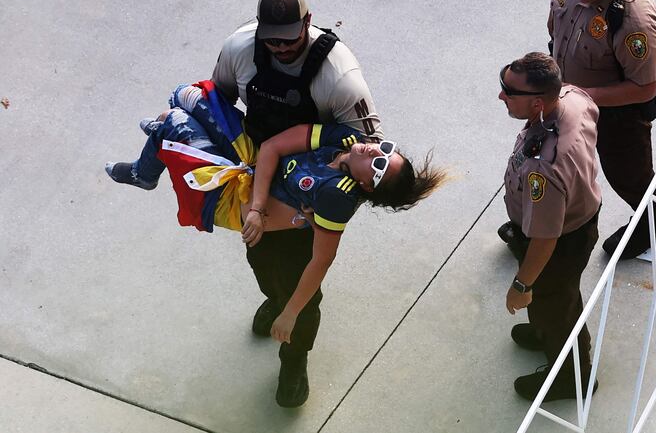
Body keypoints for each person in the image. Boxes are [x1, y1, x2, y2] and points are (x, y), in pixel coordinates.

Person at [105, 81, 444, 406]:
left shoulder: (337, 196)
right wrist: (257, 208)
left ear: (367, 185)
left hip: (293, 243)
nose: (376, 149)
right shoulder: (349, 140)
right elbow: (272, 147)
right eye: (387, 149)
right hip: (259, 209)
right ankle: (275, 300)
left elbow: (321, 261)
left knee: (303, 305)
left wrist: (290, 313)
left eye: (380, 164)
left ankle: (294, 361)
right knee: (183, 99)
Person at [215, 0, 382, 407]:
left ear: (308, 22)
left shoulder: (339, 77)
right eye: (271, 39)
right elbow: (219, 103)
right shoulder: (240, 49)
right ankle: (276, 297)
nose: (280, 47)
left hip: (308, 198)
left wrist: (325, 209)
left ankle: (294, 358)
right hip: (258, 177)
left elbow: (371, 157)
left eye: (289, 39)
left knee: (304, 287)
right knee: (260, 259)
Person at [538, 0, 656, 260]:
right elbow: (556, 16)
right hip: (566, 93)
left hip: (616, 113)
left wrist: (577, 93)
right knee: (552, 161)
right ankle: (539, 223)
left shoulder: (634, 18)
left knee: (628, 174)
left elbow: (644, 87)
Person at [499, 52, 601, 402]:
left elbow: (545, 240)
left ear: (539, 103)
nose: (501, 96)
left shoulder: (546, 164)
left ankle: (573, 378)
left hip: (562, 240)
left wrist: (520, 285)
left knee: (559, 306)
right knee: (553, 299)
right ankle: (544, 328)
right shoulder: (572, 96)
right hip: (580, 214)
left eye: (509, 91)